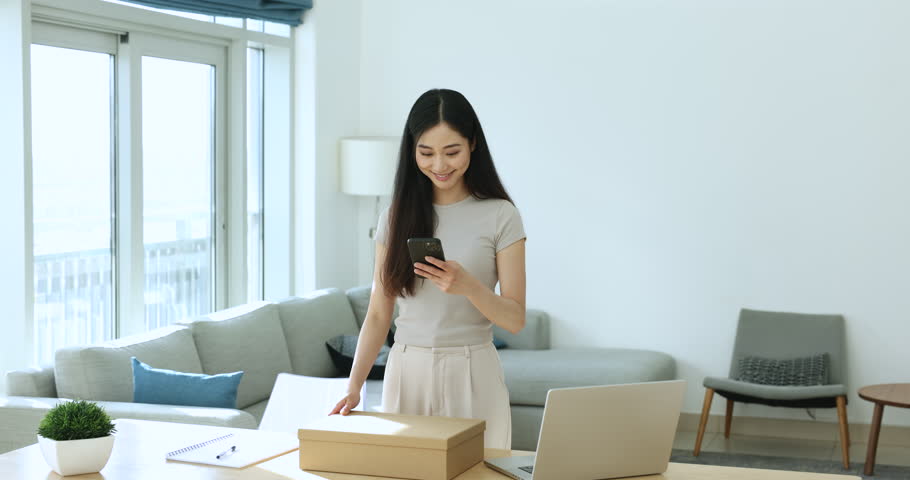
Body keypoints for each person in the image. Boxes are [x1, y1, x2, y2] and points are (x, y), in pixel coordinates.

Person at [329, 88, 526, 449]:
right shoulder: (394, 217)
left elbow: (514, 319)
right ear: (412, 151)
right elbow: (377, 313)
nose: (439, 165)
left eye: (451, 152)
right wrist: (354, 386)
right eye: (426, 152)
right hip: (407, 369)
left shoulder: (501, 215)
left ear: (473, 144)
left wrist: (469, 286)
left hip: (473, 368)